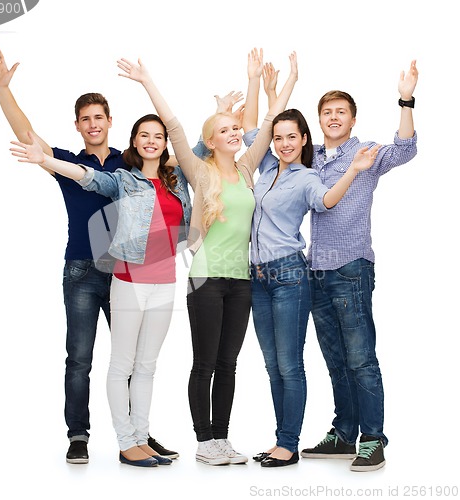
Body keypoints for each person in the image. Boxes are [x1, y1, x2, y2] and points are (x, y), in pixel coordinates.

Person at [0, 45, 178, 463]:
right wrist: (3, 92)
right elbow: (27, 136)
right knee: (81, 357)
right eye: (85, 119)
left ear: (110, 122)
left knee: (135, 359)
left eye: (99, 117)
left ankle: (138, 434)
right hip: (84, 272)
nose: (93, 124)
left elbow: (173, 154)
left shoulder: (132, 162)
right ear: (78, 126)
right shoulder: (69, 162)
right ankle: (78, 434)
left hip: (132, 273)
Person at [116, 48, 298, 465]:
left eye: (237, 127)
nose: (236, 132)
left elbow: (269, 124)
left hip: (241, 280)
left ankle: (222, 440)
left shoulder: (249, 168)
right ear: (211, 140)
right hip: (206, 279)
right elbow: (175, 127)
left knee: (229, 364)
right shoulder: (201, 171)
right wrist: (147, 82)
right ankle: (203, 443)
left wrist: (289, 80)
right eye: (226, 129)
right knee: (205, 364)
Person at [10, 113, 191, 467]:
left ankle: (141, 437)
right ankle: (126, 442)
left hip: (165, 281)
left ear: (165, 144)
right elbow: (88, 178)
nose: (151, 141)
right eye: (144, 135)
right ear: (134, 143)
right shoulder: (123, 178)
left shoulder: (176, 182)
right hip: (128, 281)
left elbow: (195, 151)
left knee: (147, 366)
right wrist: (44, 160)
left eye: (158, 136)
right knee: (122, 364)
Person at [239, 60, 380, 468]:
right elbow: (256, 126)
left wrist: (352, 171)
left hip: (289, 274)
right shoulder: (264, 168)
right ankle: (282, 438)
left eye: (291, 137)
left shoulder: (306, 177)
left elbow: (327, 200)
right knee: (271, 365)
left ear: (304, 141)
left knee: (290, 363)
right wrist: (269, 88)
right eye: (278, 138)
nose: (283, 143)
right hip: (258, 276)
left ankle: (289, 443)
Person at [299, 60, 419, 472]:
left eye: (340, 112)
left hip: (351, 268)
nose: (333, 118)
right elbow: (263, 140)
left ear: (352, 119)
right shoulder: (309, 155)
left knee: (360, 357)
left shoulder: (365, 153)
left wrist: (406, 99)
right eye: (326, 112)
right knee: (334, 358)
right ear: (319, 120)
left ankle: (372, 439)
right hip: (316, 269)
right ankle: (343, 432)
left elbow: (405, 148)